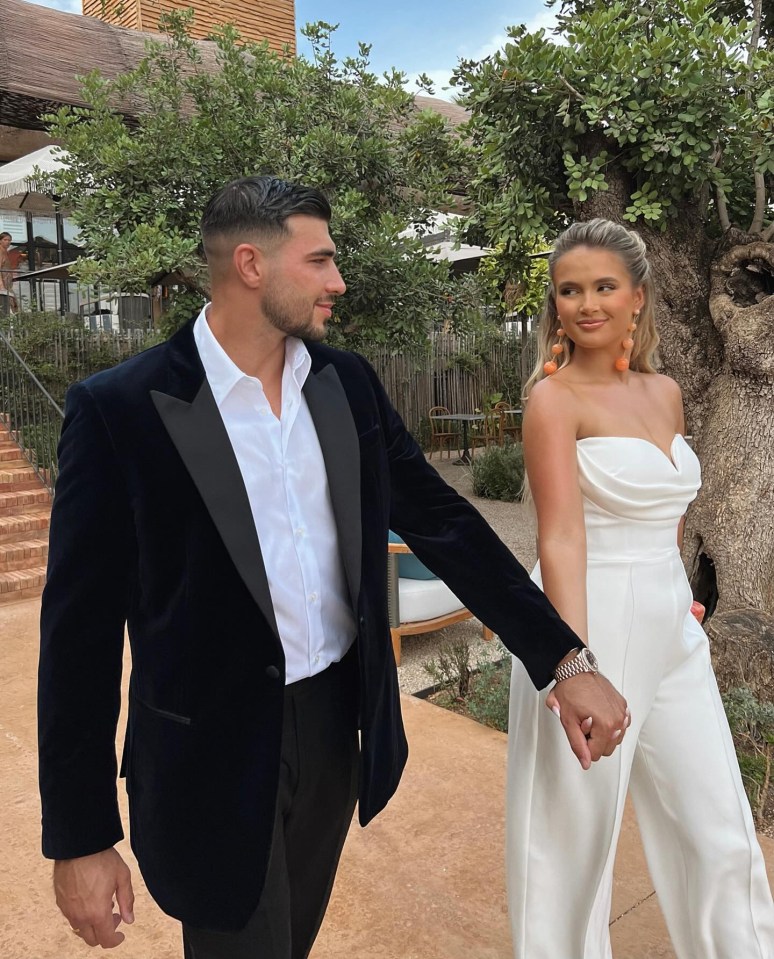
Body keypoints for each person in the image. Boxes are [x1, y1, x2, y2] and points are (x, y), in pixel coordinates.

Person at [38, 176, 628, 959]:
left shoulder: (344, 384)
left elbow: (445, 524)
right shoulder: (121, 408)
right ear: (252, 264)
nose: (338, 282)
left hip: (332, 730)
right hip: (206, 755)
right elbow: (77, 635)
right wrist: (78, 836)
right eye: (320, 260)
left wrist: (562, 655)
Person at [506, 218, 774, 958]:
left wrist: (681, 594)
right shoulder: (553, 401)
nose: (585, 303)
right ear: (554, 305)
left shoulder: (665, 392)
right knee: (570, 850)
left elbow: (673, 516)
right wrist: (573, 663)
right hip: (586, 617)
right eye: (568, 290)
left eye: (602, 286)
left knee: (718, 826)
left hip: (668, 625)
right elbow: (560, 537)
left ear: (637, 297)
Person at [0, 231, 17, 311]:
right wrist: (2, 286)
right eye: (5, 240)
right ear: (0, 240)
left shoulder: (5, 252)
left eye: (9, 240)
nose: (8, 242)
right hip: (3, 286)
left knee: (13, 305)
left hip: (7, 284)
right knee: (8, 308)